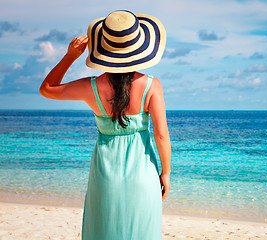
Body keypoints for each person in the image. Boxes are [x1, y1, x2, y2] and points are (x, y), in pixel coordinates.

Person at [39, 10, 171, 240]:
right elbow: (161, 135)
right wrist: (166, 173)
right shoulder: (152, 86)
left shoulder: (90, 87)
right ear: (139, 49)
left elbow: (47, 89)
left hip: (105, 178)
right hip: (143, 177)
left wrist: (70, 56)